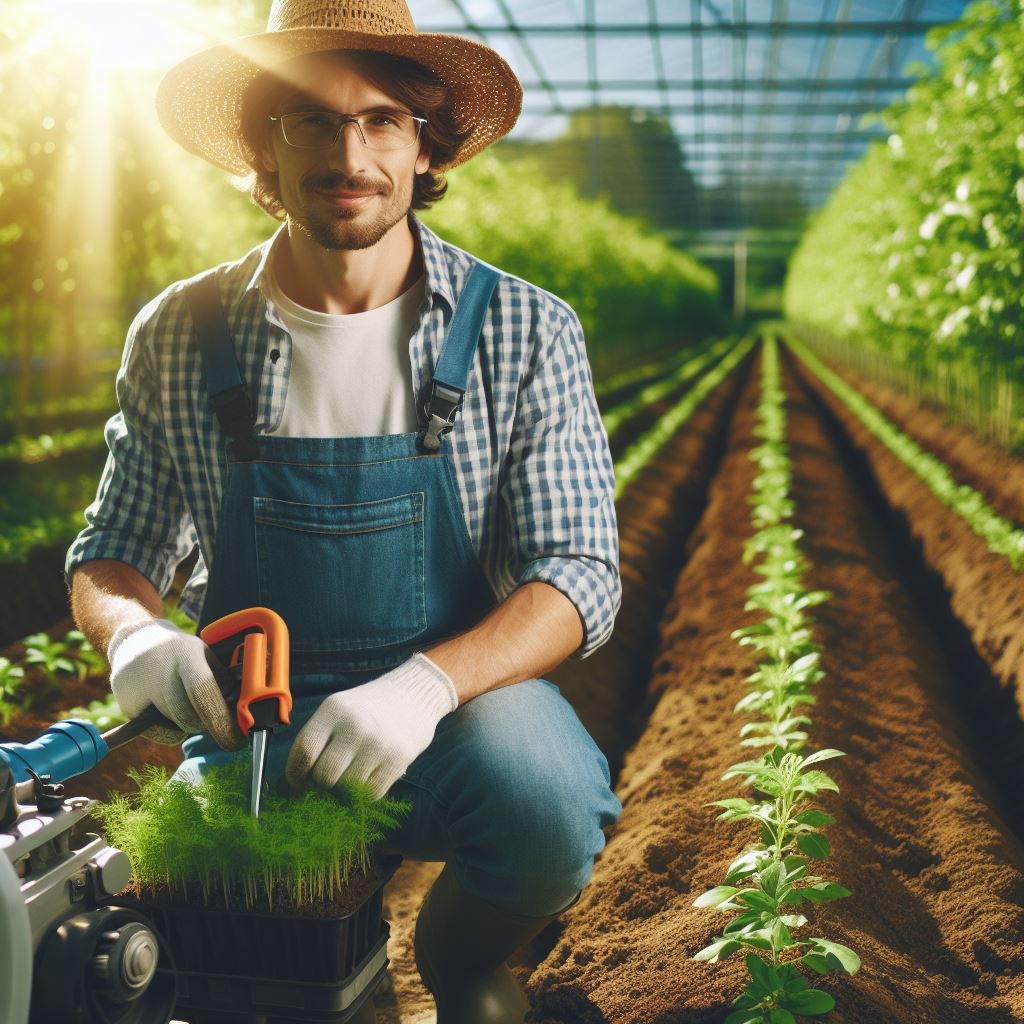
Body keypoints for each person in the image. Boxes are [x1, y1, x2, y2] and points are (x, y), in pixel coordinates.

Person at [64, 2, 622, 1021]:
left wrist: (425, 683)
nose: (348, 152)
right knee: (199, 870)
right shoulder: (182, 333)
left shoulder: (522, 327)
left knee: (547, 801)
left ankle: (461, 965)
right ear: (266, 148)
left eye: (380, 121)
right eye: (310, 121)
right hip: (258, 724)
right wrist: (137, 632)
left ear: (423, 147)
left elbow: (578, 570)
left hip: (458, 706)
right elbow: (115, 548)